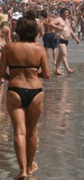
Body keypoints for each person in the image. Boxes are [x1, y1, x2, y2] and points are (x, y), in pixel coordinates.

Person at [0, 11, 50, 179]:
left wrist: (13, 76)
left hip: (15, 89)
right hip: (36, 91)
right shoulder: (39, 49)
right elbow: (48, 74)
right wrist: (34, 73)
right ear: (35, 31)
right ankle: (29, 166)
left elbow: (1, 73)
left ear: (18, 30)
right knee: (32, 132)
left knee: (19, 132)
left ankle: (21, 171)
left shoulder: (9, 48)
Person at [51, 8, 80, 75]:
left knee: (60, 56)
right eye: (66, 13)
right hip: (60, 39)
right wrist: (57, 27)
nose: (67, 14)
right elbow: (51, 23)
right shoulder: (59, 19)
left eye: (68, 13)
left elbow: (70, 30)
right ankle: (68, 69)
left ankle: (56, 70)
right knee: (64, 54)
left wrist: (76, 38)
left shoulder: (67, 20)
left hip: (66, 40)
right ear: (62, 13)